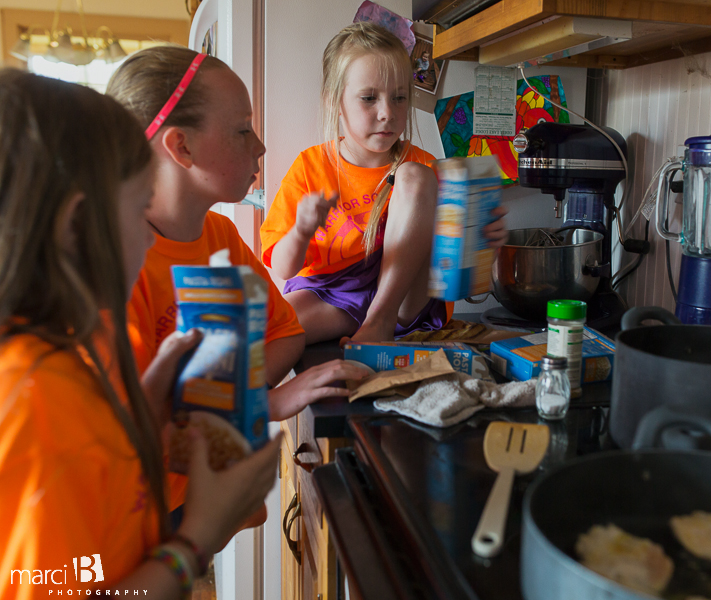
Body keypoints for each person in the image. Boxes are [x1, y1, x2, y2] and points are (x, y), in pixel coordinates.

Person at [0, 69, 279, 598]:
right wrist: (197, 541)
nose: (149, 240)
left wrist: (148, 404)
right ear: (78, 226)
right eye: (137, 207)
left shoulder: (54, 359)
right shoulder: (39, 408)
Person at [106, 46, 366, 521]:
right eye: (243, 130)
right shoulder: (121, 267)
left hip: (198, 501)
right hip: (136, 521)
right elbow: (135, 432)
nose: (261, 147)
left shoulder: (220, 236)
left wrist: (223, 401)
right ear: (181, 147)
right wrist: (262, 403)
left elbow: (286, 334)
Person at [260, 22, 509, 345]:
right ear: (334, 101)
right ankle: (366, 327)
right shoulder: (310, 165)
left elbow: (459, 272)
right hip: (332, 294)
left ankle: (379, 320)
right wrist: (301, 231)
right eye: (368, 98)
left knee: (414, 176)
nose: (387, 113)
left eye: (399, 98)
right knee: (268, 334)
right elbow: (283, 268)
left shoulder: (425, 166)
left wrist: (483, 244)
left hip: (404, 299)